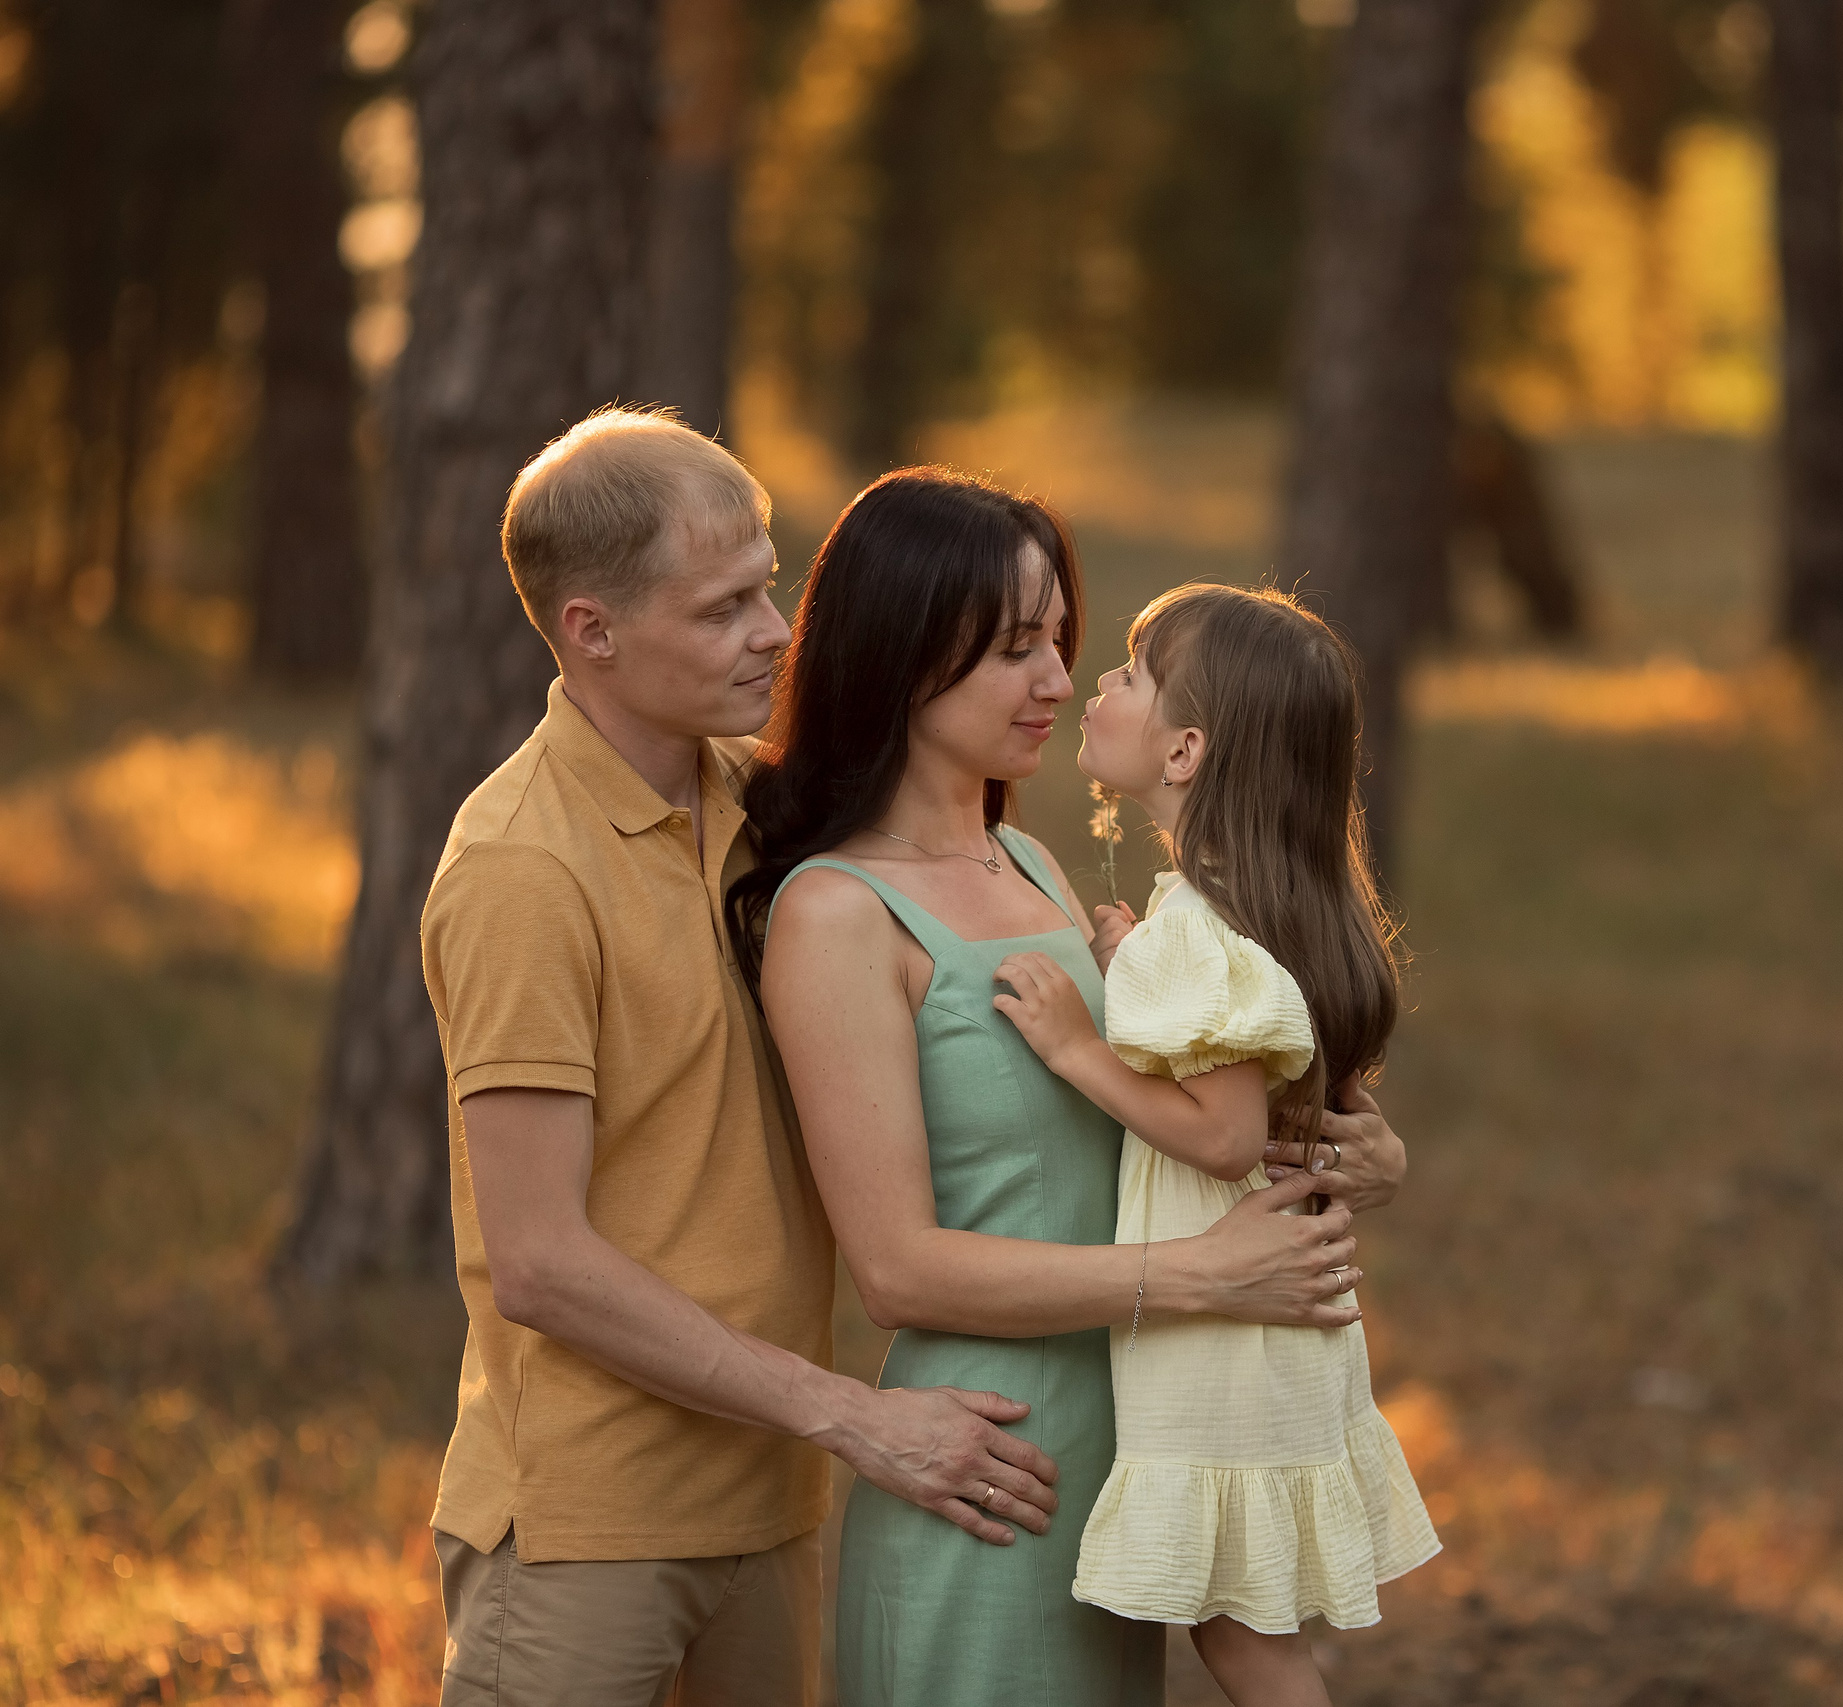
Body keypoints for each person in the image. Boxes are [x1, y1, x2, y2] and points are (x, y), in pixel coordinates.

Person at [419, 411, 1369, 1707]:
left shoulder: (768, 817)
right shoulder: (533, 866)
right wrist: (854, 1406)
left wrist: (1326, 1138)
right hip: (605, 1504)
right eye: (726, 606)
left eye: (771, 587)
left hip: (815, 1476)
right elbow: (539, 1256)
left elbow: (1149, 1114)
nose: (773, 629)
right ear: (594, 630)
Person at [733, 469, 1409, 1707]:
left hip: (1132, 1454)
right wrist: (1202, 1276)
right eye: (1012, 650)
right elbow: (897, 1269)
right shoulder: (834, 913)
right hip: (990, 1469)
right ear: (898, 657)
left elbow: (1182, 1108)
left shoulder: (1037, 864)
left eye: (1060, 643)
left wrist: (1343, 1146)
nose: (1055, 680)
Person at [994, 583, 1438, 1706]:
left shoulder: (1199, 930)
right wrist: (1133, 956)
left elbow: (1229, 1132)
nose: (1094, 681)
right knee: (1246, 1625)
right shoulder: (1254, 912)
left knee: (1241, 1636)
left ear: (1184, 750)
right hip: (1274, 1313)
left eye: (1131, 675)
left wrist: (1075, 1049)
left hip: (1230, 1324)